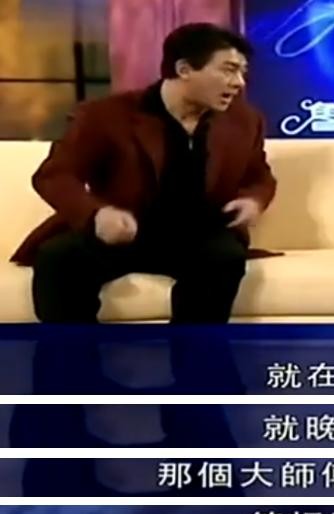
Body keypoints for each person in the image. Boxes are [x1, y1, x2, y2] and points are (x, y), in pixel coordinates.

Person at [10, 22, 277, 323]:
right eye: (228, 70)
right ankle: (75, 353)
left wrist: (253, 200)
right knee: (59, 258)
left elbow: (259, 176)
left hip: (200, 234)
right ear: (184, 69)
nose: (239, 82)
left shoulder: (244, 120)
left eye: (242, 72)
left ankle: (195, 353)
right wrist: (96, 214)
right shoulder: (106, 115)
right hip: (124, 231)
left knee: (225, 258)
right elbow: (55, 175)